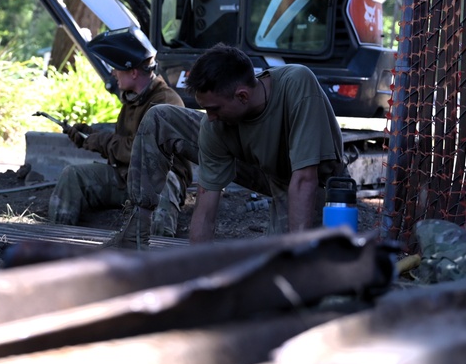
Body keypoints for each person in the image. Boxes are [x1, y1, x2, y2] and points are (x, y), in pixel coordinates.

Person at [112, 43, 348, 248]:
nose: (210, 117)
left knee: (280, 266)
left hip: (317, 184)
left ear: (243, 96)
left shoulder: (297, 85)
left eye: (214, 109)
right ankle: (133, 236)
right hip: (265, 171)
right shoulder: (215, 124)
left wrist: (298, 254)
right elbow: (206, 205)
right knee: (160, 116)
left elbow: (305, 179)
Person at [47, 27, 192, 236]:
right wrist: (88, 135)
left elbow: (140, 151)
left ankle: (160, 255)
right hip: (126, 178)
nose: (113, 73)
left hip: (158, 180)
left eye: (116, 68)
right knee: (73, 175)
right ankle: (56, 240)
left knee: (163, 181)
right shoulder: (133, 98)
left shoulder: (166, 104)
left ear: (133, 72)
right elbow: (123, 143)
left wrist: (97, 140)